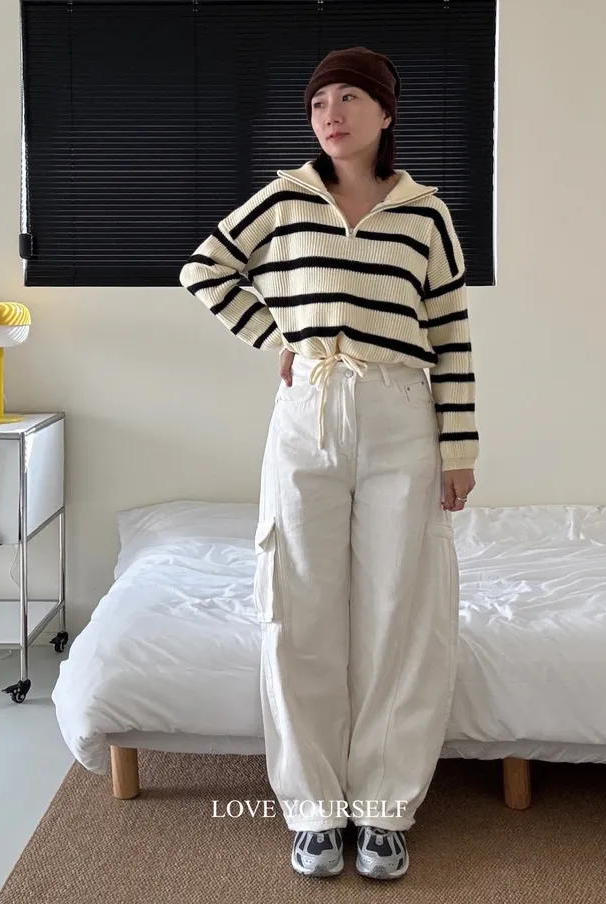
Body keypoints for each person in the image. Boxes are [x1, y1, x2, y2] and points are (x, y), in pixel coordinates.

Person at [179, 46, 478, 880]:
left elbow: (451, 335)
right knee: (296, 604)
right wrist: (274, 335)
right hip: (307, 408)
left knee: (398, 610)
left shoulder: (426, 214)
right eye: (318, 103)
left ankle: (384, 809)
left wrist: (459, 448)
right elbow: (203, 268)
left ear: (385, 111)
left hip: (400, 411)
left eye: (349, 98)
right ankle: (313, 808)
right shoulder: (285, 198)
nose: (331, 114)